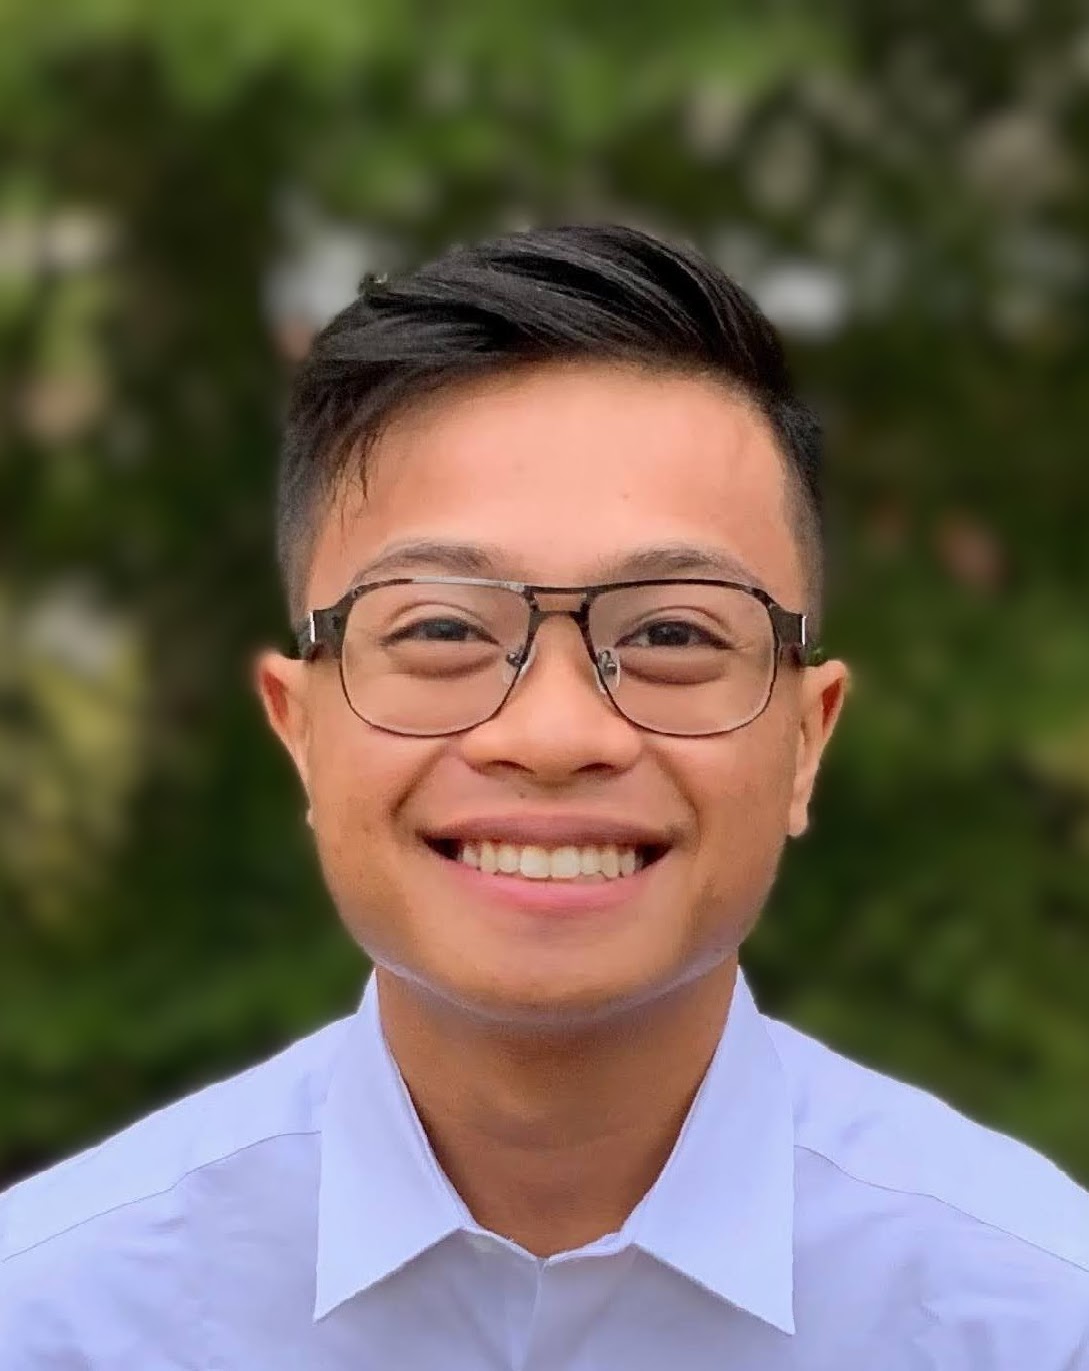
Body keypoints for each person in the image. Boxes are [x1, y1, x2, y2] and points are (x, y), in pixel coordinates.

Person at [2, 224, 1086, 1369]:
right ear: (300, 727)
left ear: (806, 739)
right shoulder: (57, 1318)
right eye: (442, 629)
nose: (555, 735)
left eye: (671, 631)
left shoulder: (1033, 1320)